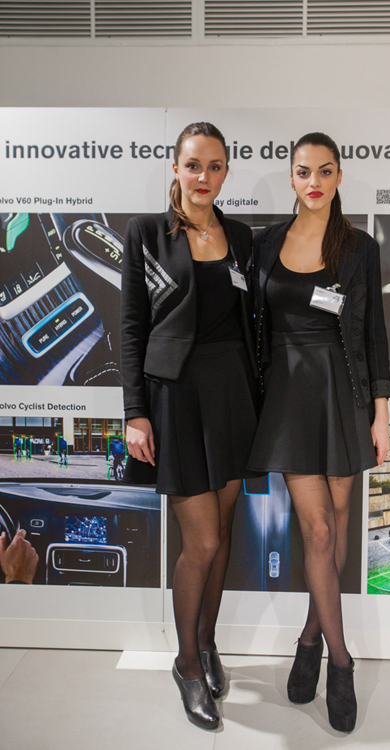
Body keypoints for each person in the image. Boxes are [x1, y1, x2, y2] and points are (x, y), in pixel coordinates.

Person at [248, 132, 390, 732]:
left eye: (325, 171)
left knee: (334, 529)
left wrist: (381, 410)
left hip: (343, 391)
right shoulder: (264, 244)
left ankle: (309, 639)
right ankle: (341, 661)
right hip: (286, 395)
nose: (314, 181)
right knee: (316, 530)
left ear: (338, 178)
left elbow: (374, 332)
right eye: (304, 171)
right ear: (291, 178)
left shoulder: (359, 247)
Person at [121, 122, 258, 731]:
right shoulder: (146, 233)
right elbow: (131, 326)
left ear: (226, 172)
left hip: (233, 395)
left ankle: (206, 642)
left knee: (222, 534)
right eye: (194, 165)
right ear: (175, 168)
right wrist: (135, 411)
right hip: (175, 396)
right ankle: (185, 665)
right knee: (199, 542)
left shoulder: (241, 236)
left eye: (215, 166)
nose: (204, 177)